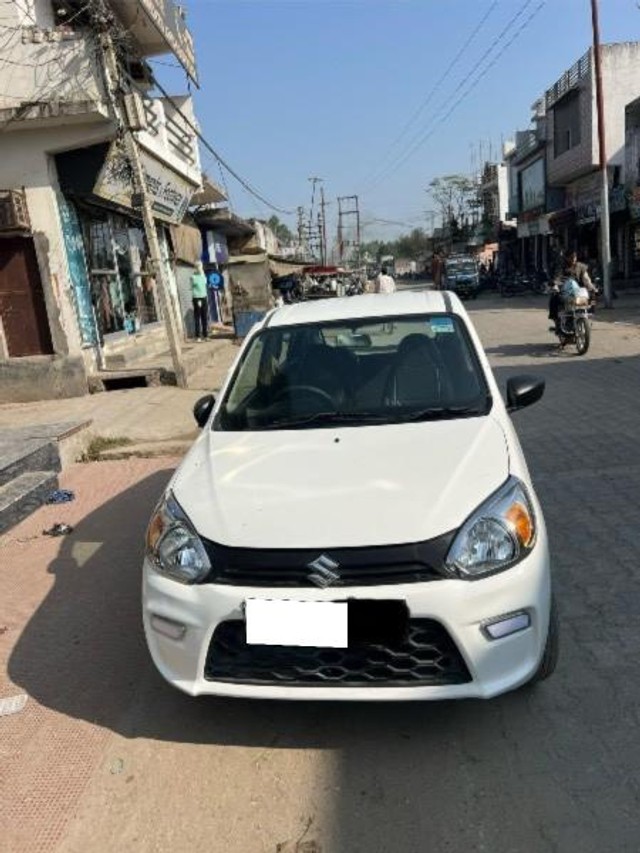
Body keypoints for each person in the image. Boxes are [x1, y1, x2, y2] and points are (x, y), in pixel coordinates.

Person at [548, 250, 596, 331]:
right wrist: (555, 285)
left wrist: (593, 288)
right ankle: (557, 322)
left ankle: (590, 314)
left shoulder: (581, 267)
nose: (573, 259)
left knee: (593, 297)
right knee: (554, 298)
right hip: (564, 291)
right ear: (566, 258)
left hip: (579, 292)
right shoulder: (561, 267)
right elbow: (557, 277)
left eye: (574, 257)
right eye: (571, 257)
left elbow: (586, 279)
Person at [191, 261, 209, 341]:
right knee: (197, 317)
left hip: (204, 297)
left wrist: (203, 274)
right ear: (195, 267)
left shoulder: (203, 275)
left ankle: (205, 335)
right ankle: (198, 336)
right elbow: (192, 287)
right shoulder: (193, 277)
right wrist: (197, 299)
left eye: (201, 266)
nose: (200, 268)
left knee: (204, 317)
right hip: (197, 298)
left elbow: (205, 283)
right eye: (198, 266)